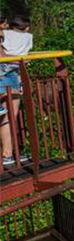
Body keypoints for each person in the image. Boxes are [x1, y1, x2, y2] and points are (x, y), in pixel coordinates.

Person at [0, 15, 31, 165]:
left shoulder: (4, 38)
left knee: (6, 117)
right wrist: (20, 60)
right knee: (9, 117)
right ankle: (7, 154)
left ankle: (9, 153)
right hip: (7, 78)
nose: (6, 26)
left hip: (6, 77)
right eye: (4, 23)